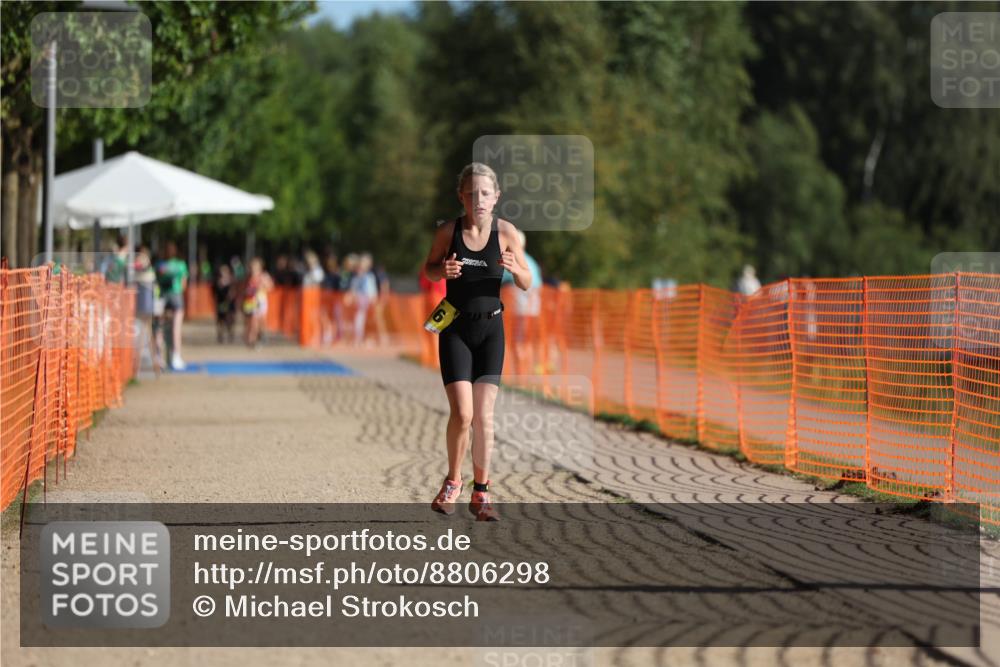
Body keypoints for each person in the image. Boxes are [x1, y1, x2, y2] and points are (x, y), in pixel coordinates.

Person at [423, 162, 532, 521]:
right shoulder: (448, 232)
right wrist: (443, 271)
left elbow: (527, 282)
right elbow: (429, 268)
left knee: (484, 417)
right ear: (461, 197)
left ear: (496, 197)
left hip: (491, 331)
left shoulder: (506, 233)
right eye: (472, 193)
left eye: (486, 193)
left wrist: (516, 270)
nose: (479, 199)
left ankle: (481, 492)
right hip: (455, 328)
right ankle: (453, 480)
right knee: (463, 413)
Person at [501, 230, 543, 373]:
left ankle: (520, 374)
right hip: (533, 309)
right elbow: (538, 285)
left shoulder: (511, 260)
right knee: (527, 342)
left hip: (518, 310)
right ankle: (525, 372)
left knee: (517, 342)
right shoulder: (531, 261)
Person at [156, 241, 189, 370]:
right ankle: (176, 356)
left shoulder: (160, 265)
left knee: (159, 327)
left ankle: (158, 356)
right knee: (176, 328)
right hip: (176, 296)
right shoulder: (180, 265)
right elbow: (183, 283)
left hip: (162, 297)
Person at [134, 246, 164, 375]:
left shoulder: (147, 273)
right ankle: (154, 363)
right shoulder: (146, 272)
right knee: (147, 335)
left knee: (148, 334)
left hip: (146, 308)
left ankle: (155, 362)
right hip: (146, 307)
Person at [242, 257, 273, 349]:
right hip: (249, 301)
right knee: (251, 321)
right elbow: (243, 289)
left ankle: (259, 337)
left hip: (261, 301)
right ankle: (251, 339)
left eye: (256, 266)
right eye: (252, 266)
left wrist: (262, 286)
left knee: (259, 322)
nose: (253, 268)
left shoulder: (264, 276)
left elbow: (270, 287)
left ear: (260, 266)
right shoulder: (248, 277)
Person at [349, 253, 379, 346]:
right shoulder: (357, 277)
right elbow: (353, 288)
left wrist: (373, 298)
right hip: (359, 300)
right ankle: (358, 338)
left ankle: (367, 338)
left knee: (367, 320)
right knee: (359, 318)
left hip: (367, 300)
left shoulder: (369, 277)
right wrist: (352, 296)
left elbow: (372, 289)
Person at [213, 263, 237, 344]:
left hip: (230, 304)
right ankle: (220, 335)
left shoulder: (232, 281)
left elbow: (234, 292)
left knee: (230, 319)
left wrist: (231, 295)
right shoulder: (217, 282)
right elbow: (214, 292)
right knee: (220, 320)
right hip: (221, 303)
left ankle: (231, 334)